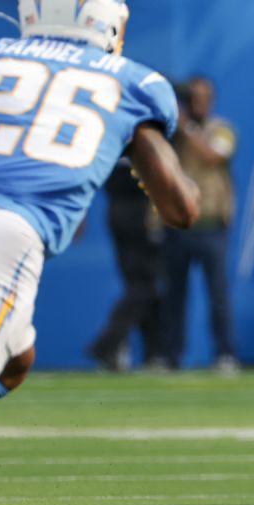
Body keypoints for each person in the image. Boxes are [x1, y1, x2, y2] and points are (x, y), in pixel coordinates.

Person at [0, 0, 199, 505]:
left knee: (16, 359)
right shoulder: (133, 82)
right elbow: (182, 209)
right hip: (1, 242)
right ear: (110, 19)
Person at [161, 77, 239, 373]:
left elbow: (213, 156)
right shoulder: (172, 134)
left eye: (203, 96)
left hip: (211, 224)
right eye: (192, 96)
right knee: (173, 296)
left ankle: (225, 354)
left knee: (218, 294)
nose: (198, 102)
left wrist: (187, 126)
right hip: (178, 224)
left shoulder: (222, 129)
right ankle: (170, 356)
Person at [86, 158, 166, 371]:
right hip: (142, 214)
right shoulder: (146, 133)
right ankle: (106, 344)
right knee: (145, 286)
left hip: (116, 211)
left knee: (141, 287)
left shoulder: (113, 134)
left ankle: (153, 353)